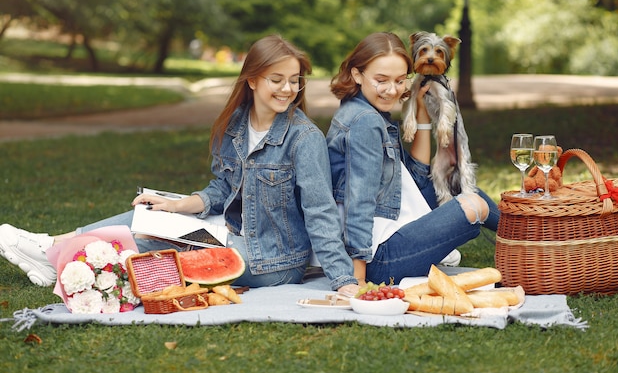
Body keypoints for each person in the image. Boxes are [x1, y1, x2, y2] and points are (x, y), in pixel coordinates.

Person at [0, 35, 359, 296]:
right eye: (276, 80)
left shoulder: (304, 138)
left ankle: (59, 255)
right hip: (230, 230)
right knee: (145, 219)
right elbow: (221, 188)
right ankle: (54, 245)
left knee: (163, 243)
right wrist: (176, 205)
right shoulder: (237, 123)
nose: (287, 90)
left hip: (275, 260)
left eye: (295, 82)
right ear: (252, 80)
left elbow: (320, 213)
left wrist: (344, 281)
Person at [325, 32, 500, 285]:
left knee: (456, 184)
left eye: (399, 80)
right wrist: (358, 280)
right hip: (380, 259)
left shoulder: (365, 109)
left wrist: (421, 114)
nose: (392, 90)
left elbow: (416, 175)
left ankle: (528, 233)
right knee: (474, 205)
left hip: (388, 230)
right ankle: (532, 237)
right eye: (381, 80)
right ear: (356, 74)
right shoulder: (365, 122)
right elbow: (358, 200)